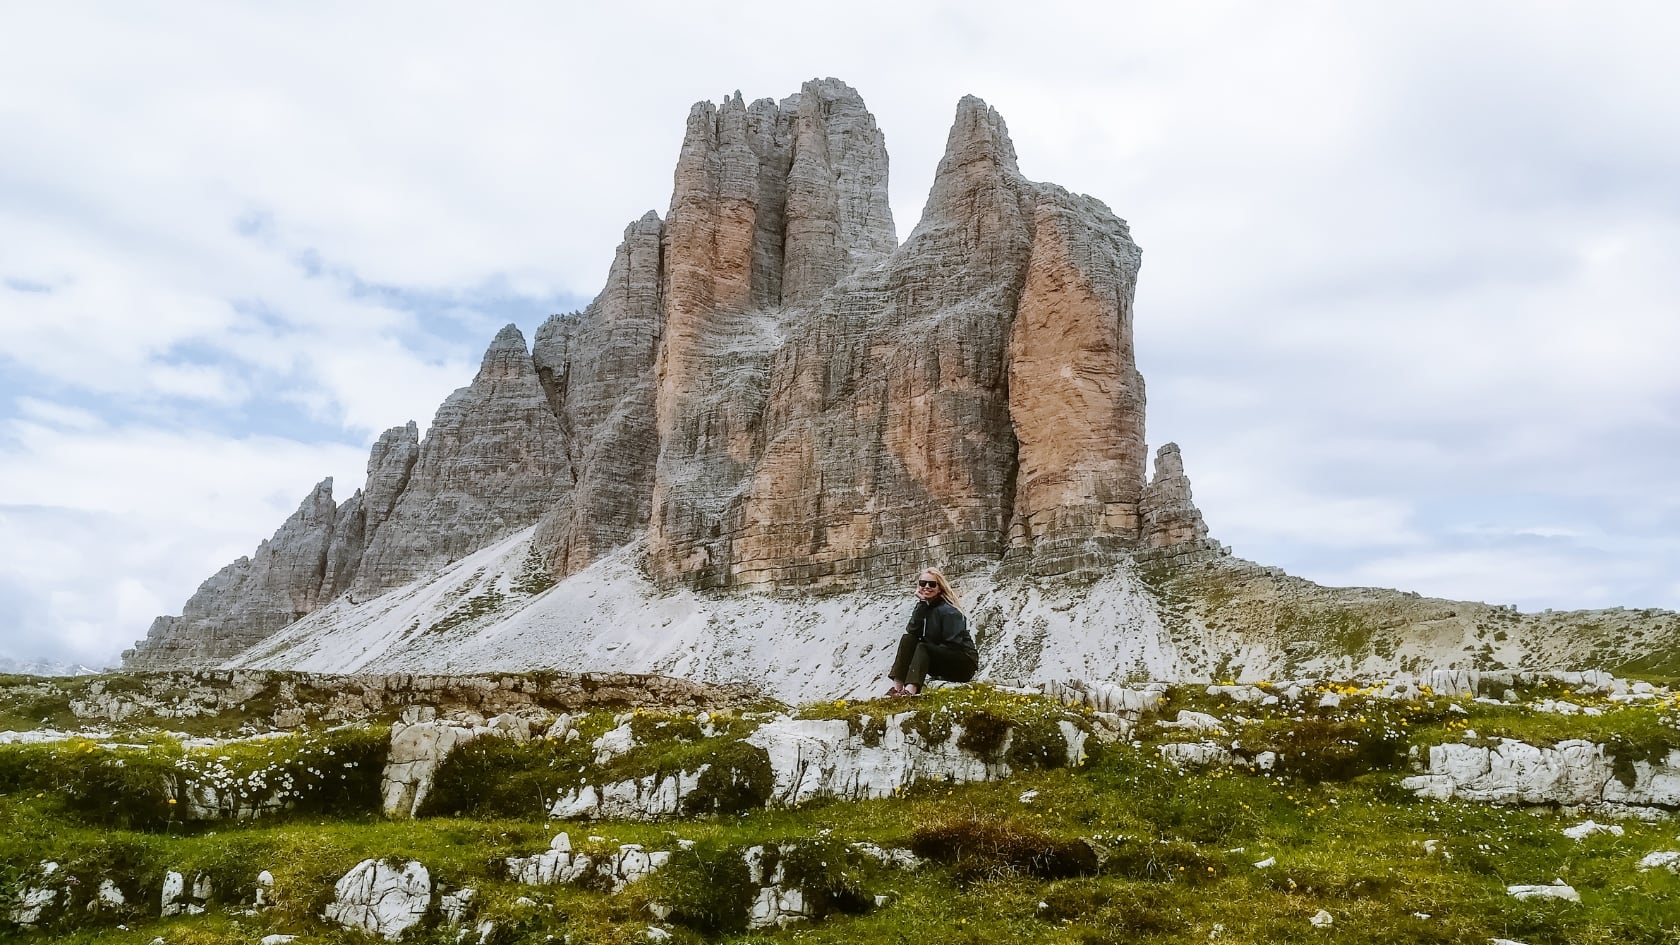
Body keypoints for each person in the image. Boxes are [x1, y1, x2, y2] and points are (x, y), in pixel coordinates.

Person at [885, 567, 978, 697]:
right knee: (908, 639)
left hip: (962, 664)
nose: (926, 587)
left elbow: (954, 644)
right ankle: (897, 689)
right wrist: (921, 604)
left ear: (940, 588)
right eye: (922, 583)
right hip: (941, 658)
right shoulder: (925, 606)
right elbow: (912, 631)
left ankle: (910, 692)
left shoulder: (950, 611)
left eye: (932, 584)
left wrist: (926, 649)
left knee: (923, 647)